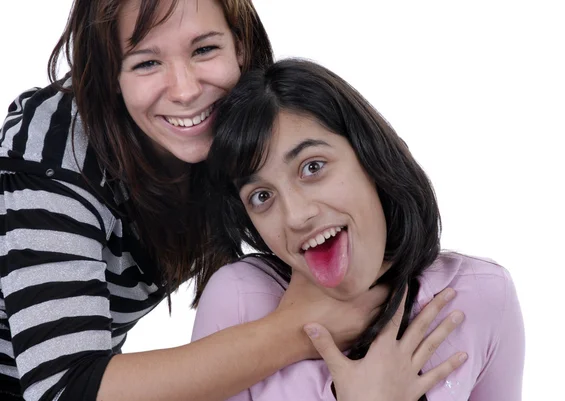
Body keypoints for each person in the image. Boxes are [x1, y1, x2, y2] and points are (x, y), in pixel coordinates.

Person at [0, 1, 464, 401]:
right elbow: (63, 389)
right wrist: (296, 330)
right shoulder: (54, 156)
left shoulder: (241, 126)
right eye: (145, 62)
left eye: (204, 49)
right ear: (109, 77)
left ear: (240, 43)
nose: (184, 90)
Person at [192, 59, 526, 401]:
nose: (295, 216)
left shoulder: (482, 294)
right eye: (262, 196)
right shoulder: (237, 301)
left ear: (369, 156)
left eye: (312, 167)